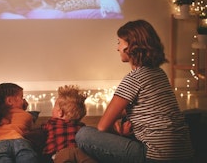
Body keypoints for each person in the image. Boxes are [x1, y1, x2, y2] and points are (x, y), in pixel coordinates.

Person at [75, 20, 195, 162]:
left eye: (119, 42)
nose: (117, 48)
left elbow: (102, 126)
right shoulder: (159, 73)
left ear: (130, 46)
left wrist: (118, 133)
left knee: (84, 134)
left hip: (154, 156)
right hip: (185, 154)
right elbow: (149, 108)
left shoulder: (133, 79)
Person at [41, 85, 97, 163]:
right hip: (81, 152)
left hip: (62, 152)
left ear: (60, 113)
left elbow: (41, 129)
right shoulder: (81, 126)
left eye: (54, 107)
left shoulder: (52, 123)